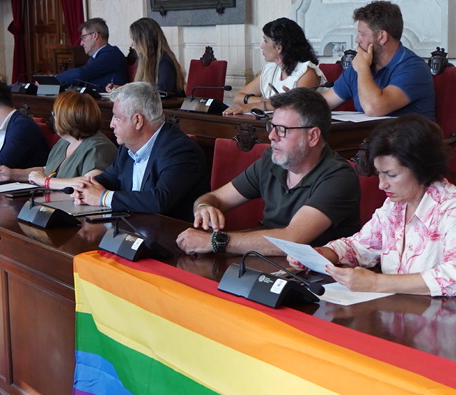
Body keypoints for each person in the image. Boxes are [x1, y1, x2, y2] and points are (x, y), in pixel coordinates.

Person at [313, 116, 456, 298]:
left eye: (391, 175)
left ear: (421, 168)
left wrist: (375, 282)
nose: (382, 185)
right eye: (379, 173)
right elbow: (359, 247)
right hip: (404, 311)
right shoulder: (395, 205)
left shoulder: (455, 207)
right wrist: (320, 255)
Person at [177, 88, 360, 255]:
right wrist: (204, 208)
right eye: (271, 127)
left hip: (315, 277)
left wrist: (215, 241)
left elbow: (292, 239)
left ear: (312, 136)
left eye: (282, 130)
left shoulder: (339, 177)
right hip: (266, 262)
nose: (271, 136)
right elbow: (215, 198)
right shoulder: (271, 160)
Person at [70, 82, 208, 220]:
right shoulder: (127, 146)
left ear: (137, 120)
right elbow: (111, 178)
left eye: (117, 117)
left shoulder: (180, 151)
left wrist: (102, 197)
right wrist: (86, 188)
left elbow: (159, 200)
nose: (111, 124)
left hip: (170, 235)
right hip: (132, 228)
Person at [320, 1, 435, 119]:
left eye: (362, 34)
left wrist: (363, 69)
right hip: (369, 136)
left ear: (382, 37)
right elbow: (322, 104)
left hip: (409, 137)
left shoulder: (414, 69)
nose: (357, 40)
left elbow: (373, 108)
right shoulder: (361, 65)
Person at [0, 90, 116, 186]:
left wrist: (46, 182)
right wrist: (11, 174)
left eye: (55, 113)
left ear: (67, 117)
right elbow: (48, 170)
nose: (53, 117)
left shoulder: (99, 147)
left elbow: (89, 183)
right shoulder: (64, 142)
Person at [226, 18, 323, 114]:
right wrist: (272, 102)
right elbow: (238, 97)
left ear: (279, 47)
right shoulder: (270, 69)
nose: (261, 45)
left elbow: (295, 105)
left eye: (265, 40)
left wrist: (257, 105)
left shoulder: (307, 71)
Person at [114, 17, 183, 96]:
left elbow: (161, 92)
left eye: (134, 39)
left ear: (145, 40)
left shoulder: (165, 61)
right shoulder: (144, 59)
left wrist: (127, 91)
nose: (131, 44)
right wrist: (122, 89)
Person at [54, 18, 128, 90]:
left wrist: (54, 80)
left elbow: (82, 73)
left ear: (95, 35)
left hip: (106, 101)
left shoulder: (111, 54)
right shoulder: (97, 55)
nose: (81, 43)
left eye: (83, 37)